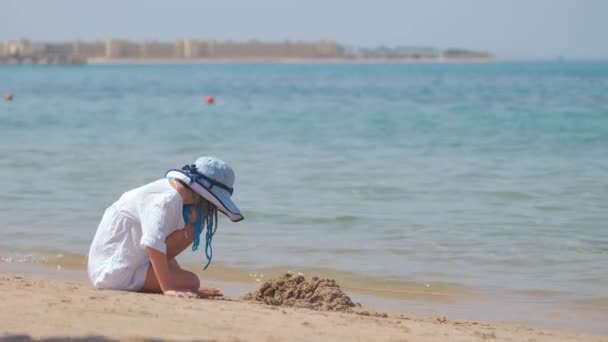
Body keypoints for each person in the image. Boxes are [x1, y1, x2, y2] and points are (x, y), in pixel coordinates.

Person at [87, 156, 244, 298]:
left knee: (189, 277)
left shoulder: (168, 192)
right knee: (192, 280)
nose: (212, 209)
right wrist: (168, 287)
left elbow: (159, 244)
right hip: (113, 273)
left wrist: (179, 278)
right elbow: (152, 243)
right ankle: (164, 282)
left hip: (116, 265)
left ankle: (168, 280)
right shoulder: (167, 200)